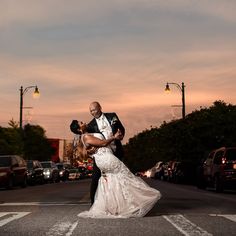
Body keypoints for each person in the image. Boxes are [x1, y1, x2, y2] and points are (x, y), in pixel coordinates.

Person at [70, 120, 161, 218]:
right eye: (81, 123)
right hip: (106, 158)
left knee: (115, 181)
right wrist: (114, 136)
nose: (83, 122)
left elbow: (93, 147)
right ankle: (136, 203)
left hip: (104, 158)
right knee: (125, 177)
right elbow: (103, 143)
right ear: (79, 129)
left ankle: (118, 208)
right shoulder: (86, 136)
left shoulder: (87, 135)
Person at [86, 101, 125, 204]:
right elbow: (90, 142)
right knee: (95, 177)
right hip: (102, 154)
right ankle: (93, 202)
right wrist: (93, 149)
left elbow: (121, 128)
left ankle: (121, 200)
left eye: (94, 109)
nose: (93, 112)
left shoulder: (112, 116)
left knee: (119, 176)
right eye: (91, 111)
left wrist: (120, 135)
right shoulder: (90, 125)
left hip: (116, 150)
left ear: (100, 107)